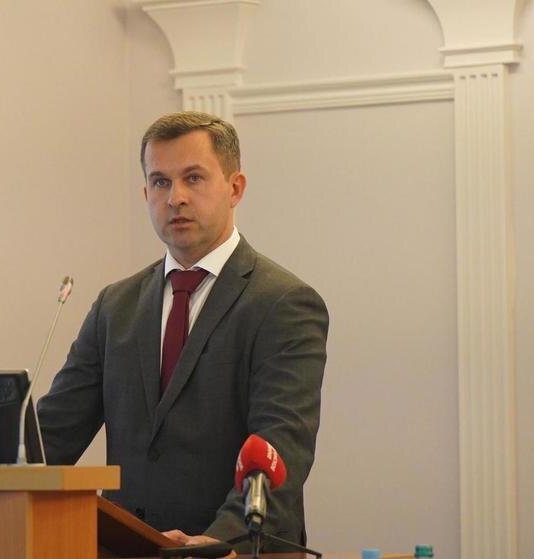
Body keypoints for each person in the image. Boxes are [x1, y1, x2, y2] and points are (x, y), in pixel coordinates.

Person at [37, 111, 328, 553]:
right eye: (160, 182)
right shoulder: (116, 306)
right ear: (146, 193)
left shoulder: (283, 303)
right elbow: (52, 437)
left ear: (235, 188)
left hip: (235, 549)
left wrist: (216, 541)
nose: (175, 198)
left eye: (193, 178)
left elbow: (281, 446)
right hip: (129, 548)